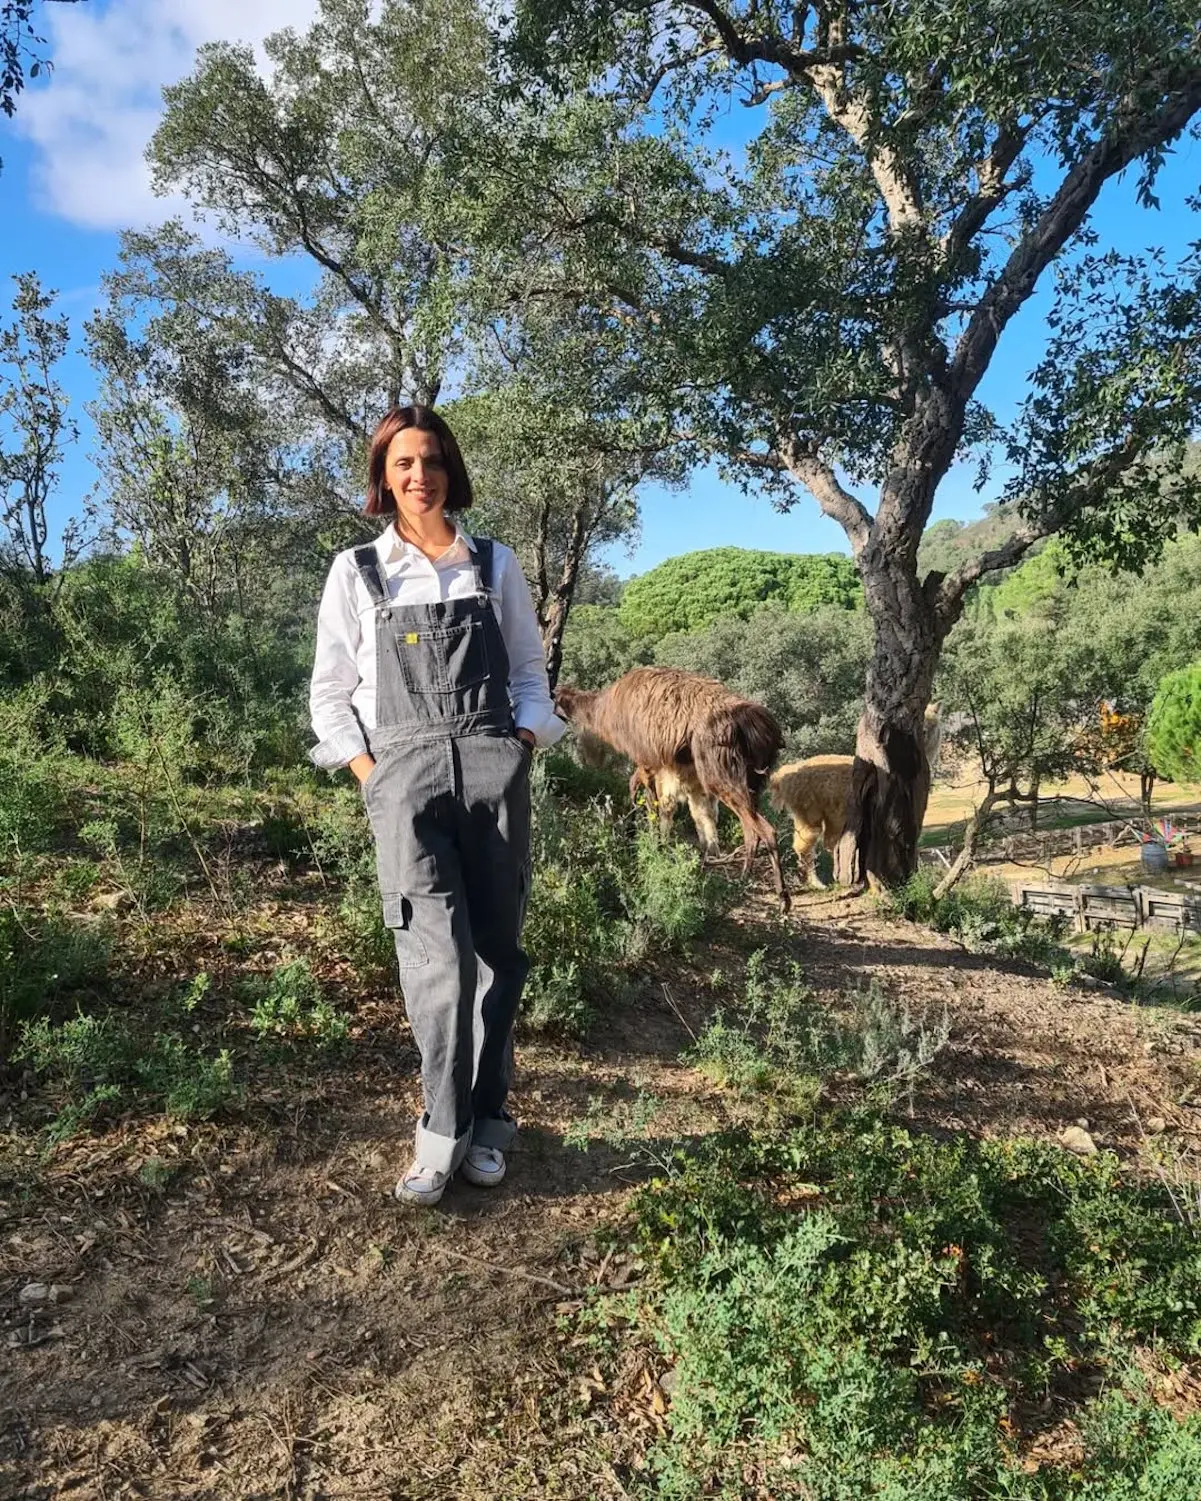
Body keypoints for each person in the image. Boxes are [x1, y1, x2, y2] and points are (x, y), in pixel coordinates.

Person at [308, 405, 565, 1205]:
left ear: (451, 469)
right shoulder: (358, 570)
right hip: (403, 780)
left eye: (432, 461)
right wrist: (370, 774)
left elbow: (530, 672)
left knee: (496, 957)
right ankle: (439, 1133)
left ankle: (488, 1125)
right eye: (402, 463)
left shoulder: (492, 564)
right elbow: (329, 694)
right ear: (383, 476)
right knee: (433, 963)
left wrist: (521, 746)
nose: (419, 476)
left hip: (493, 769)